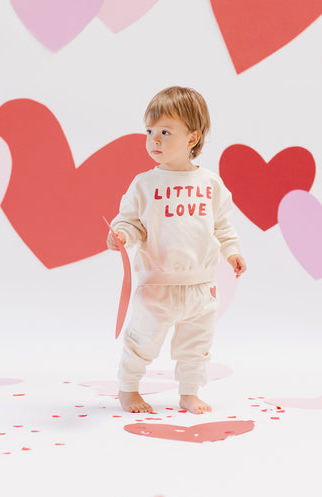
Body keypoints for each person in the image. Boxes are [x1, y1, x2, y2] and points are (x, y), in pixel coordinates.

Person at [107, 86, 246, 414]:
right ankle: (128, 388)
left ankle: (189, 392)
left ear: (192, 138)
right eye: (150, 131)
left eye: (165, 132)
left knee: (196, 346)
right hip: (156, 287)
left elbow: (222, 227)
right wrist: (123, 236)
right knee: (142, 341)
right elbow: (130, 223)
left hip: (201, 287)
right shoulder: (145, 184)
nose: (154, 140)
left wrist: (233, 252)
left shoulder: (210, 184)